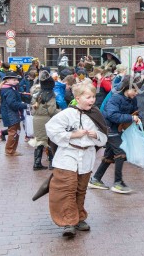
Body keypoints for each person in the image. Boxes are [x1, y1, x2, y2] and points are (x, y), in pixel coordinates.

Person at [45, 82, 108, 237]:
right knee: (67, 189)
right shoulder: (67, 114)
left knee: (80, 189)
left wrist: (96, 135)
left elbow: (104, 138)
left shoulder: (96, 114)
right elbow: (51, 129)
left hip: (86, 157)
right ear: (78, 98)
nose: (92, 100)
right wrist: (73, 135)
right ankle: (68, 221)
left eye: (93, 97)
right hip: (67, 156)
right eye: (88, 97)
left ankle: (79, 218)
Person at [89, 76, 139, 194]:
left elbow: (134, 110)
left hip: (117, 128)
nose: (136, 93)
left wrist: (136, 116)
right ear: (127, 88)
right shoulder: (116, 98)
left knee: (110, 155)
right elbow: (112, 115)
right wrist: (131, 117)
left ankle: (96, 179)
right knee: (121, 152)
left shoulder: (131, 99)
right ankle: (118, 183)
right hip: (109, 128)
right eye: (135, 90)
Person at [29, 72, 59, 170]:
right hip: (47, 120)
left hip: (36, 120)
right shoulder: (51, 96)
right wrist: (60, 111)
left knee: (39, 142)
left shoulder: (36, 94)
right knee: (50, 141)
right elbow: (51, 111)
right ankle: (52, 163)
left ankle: (37, 163)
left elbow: (33, 108)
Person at [0, 72, 27, 155]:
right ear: (8, 80)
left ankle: (12, 150)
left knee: (16, 131)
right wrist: (24, 105)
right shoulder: (9, 90)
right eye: (14, 80)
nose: (17, 81)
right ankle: (9, 151)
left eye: (17, 80)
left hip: (13, 114)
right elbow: (12, 104)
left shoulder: (11, 89)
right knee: (13, 133)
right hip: (11, 114)